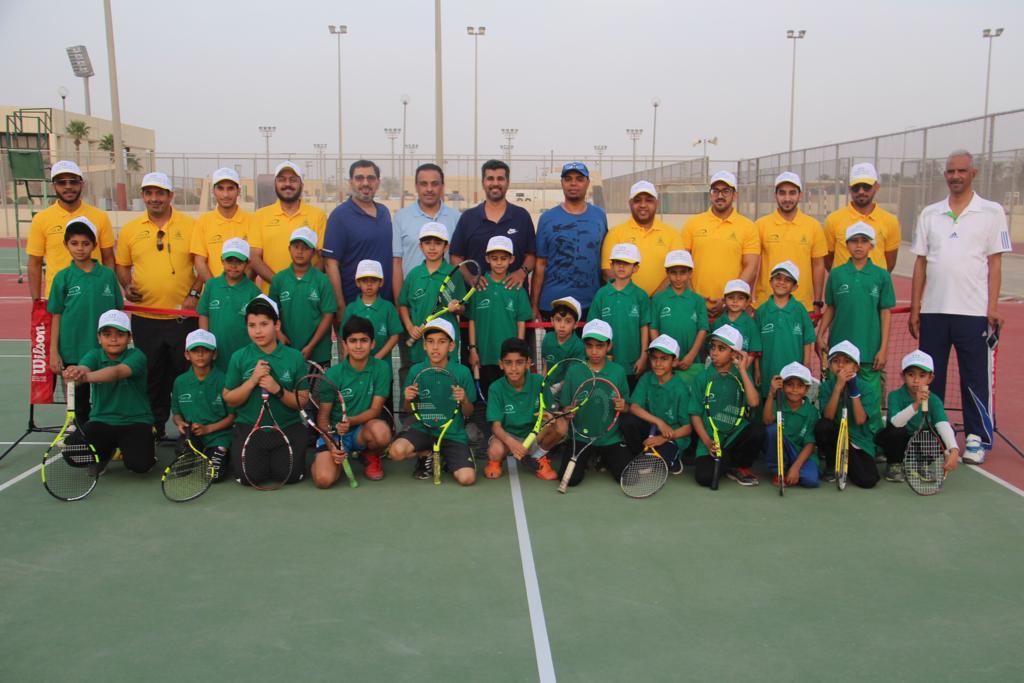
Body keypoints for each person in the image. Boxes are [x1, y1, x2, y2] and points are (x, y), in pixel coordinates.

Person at [910, 150, 1010, 464]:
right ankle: (935, 434)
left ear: (973, 173)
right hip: (934, 312)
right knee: (930, 378)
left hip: (973, 312)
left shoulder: (991, 212)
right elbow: (920, 264)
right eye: (950, 171)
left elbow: (995, 264)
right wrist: (915, 308)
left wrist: (991, 306)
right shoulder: (930, 213)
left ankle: (977, 437)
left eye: (961, 171)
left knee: (973, 377)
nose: (955, 176)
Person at [115, 171, 199, 440]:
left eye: (160, 193)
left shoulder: (190, 226)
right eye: (149, 193)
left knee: (184, 379)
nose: (155, 198)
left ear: (170, 196)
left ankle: (188, 431)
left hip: (182, 320)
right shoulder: (130, 229)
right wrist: (127, 285)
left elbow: (202, 265)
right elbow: (121, 266)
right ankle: (154, 428)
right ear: (143, 196)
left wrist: (195, 292)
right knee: (151, 378)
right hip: (145, 319)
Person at [223, 295, 309, 485]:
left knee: (290, 476)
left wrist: (277, 390)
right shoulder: (239, 357)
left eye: (264, 324)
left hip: (287, 426)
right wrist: (252, 381)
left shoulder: (294, 357)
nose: (258, 331)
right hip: (250, 427)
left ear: (276, 325)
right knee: (249, 478)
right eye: (252, 325)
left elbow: (302, 401)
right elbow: (229, 398)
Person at [816, 223, 895, 420]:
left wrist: (883, 348)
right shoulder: (836, 274)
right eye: (854, 241)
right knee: (838, 396)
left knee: (871, 401)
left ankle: (873, 443)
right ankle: (837, 441)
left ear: (871, 246)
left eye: (864, 241)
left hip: (869, 349)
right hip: (840, 351)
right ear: (846, 245)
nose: (859, 246)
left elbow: (885, 313)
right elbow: (831, 307)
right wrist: (820, 334)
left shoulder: (882, 276)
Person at [47, 217, 123, 422]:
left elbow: (118, 314)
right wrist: (54, 351)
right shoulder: (62, 277)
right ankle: (79, 435)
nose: (80, 248)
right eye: (74, 243)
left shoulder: (107, 276)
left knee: (105, 400)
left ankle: (103, 438)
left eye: (85, 243)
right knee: (78, 403)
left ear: (94, 246)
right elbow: (56, 315)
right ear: (66, 245)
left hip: (104, 351)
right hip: (72, 350)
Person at [61, 310, 155, 475]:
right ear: (99, 338)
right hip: (101, 421)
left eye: (120, 334)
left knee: (140, 466)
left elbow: (117, 372)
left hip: (135, 421)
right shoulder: (93, 355)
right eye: (107, 334)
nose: (113, 339)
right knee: (73, 454)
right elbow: (82, 368)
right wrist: (74, 373)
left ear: (129, 337)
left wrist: (84, 377)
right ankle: (104, 454)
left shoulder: (137, 355)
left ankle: (141, 443)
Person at [389, 319, 477, 485]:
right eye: (430, 342)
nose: (435, 347)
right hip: (423, 429)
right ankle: (426, 453)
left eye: (441, 342)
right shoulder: (415, 371)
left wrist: (464, 400)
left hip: (452, 433)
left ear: (451, 346)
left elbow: (469, 412)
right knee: (396, 452)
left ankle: (448, 458)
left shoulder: (462, 372)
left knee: (467, 479)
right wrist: (408, 399)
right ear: (424, 345)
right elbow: (408, 409)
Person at [310, 316, 393, 486]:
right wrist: (332, 445)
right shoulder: (332, 375)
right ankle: (330, 460)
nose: (358, 346)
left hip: (362, 431)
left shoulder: (382, 369)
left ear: (372, 343)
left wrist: (350, 421)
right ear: (345, 344)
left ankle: (368, 455)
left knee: (382, 433)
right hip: (335, 434)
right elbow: (323, 417)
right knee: (323, 480)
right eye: (353, 341)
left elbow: (375, 410)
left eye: (364, 340)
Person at [556, 319, 631, 487]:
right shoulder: (574, 371)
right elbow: (565, 407)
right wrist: (567, 411)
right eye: (589, 346)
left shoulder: (618, 372)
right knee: (569, 479)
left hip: (611, 438)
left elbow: (627, 406)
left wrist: (623, 406)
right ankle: (592, 457)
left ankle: (602, 457)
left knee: (628, 478)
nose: (594, 351)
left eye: (599, 346)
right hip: (581, 437)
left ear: (609, 346)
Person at [27, 160, 115, 302]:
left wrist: (108, 291)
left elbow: (108, 257)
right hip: (59, 298)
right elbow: (35, 263)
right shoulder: (41, 219)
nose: (68, 187)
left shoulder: (100, 217)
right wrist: (36, 301)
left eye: (73, 182)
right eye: (62, 182)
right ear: (54, 186)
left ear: (82, 184)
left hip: (94, 295)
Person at [689, 325, 763, 488]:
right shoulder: (702, 378)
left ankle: (734, 465)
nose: (714, 352)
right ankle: (728, 465)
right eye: (713, 347)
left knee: (757, 431)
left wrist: (743, 370)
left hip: (734, 437)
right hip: (710, 441)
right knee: (704, 478)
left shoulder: (741, 375)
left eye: (721, 348)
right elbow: (695, 414)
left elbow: (754, 402)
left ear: (734, 354)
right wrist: (708, 442)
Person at [532, 161, 607, 320]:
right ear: (562, 183)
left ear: (587, 183)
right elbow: (540, 264)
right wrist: (534, 304)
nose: (573, 183)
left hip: (591, 304)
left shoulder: (599, 216)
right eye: (568, 179)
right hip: (554, 304)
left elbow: (602, 258)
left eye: (579, 179)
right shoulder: (547, 218)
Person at [680, 171, 759, 316]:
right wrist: (695, 298)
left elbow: (751, 266)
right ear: (710, 194)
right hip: (695, 306)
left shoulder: (748, 227)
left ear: (734, 195)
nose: (720, 196)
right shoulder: (693, 224)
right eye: (715, 191)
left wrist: (728, 299)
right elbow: (683, 263)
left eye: (726, 191)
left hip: (732, 309)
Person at [875, 350, 960, 483]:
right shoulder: (895, 396)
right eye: (910, 374)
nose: (916, 380)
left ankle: (920, 464)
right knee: (895, 431)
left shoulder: (934, 400)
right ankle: (894, 464)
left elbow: (942, 424)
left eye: (922, 375)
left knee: (948, 431)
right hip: (897, 443)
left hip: (919, 443)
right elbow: (896, 423)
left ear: (930, 378)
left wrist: (954, 450)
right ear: (902, 376)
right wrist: (916, 404)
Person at [450, 159, 536, 290]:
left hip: (513, 300)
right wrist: (470, 278)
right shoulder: (468, 217)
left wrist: (522, 272)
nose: (495, 183)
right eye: (490, 178)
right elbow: (456, 257)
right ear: (483, 183)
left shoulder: (522, 216)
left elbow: (531, 254)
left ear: (507, 182)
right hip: (477, 300)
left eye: (500, 178)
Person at [484, 337, 560, 481]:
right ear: (501, 364)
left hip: (534, 436)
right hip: (509, 436)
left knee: (560, 426)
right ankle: (495, 462)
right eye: (508, 363)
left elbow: (551, 412)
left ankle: (538, 457)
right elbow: (496, 426)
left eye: (519, 362)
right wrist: (511, 443)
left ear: (528, 363)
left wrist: (550, 417)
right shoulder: (495, 388)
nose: (513, 368)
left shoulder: (539, 382)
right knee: (495, 450)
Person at [323, 160, 394, 312]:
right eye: (359, 178)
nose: (365, 183)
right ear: (351, 182)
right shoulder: (339, 216)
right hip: (355, 307)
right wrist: (341, 306)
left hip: (385, 306)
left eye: (371, 178)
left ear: (378, 182)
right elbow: (330, 264)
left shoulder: (384, 212)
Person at [468, 236, 532, 399]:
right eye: (494, 258)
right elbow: (472, 321)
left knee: (509, 397)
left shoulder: (517, 289)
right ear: (487, 259)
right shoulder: (479, 287)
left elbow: (521, 323)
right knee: (488, 398)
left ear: (512, 259)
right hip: (484, 355)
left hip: (509, 360)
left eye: (503, 258)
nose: (499, 263)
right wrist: (473, 349)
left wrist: (519, 351)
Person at [754, 172, 827, 313]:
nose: (787, 198)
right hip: (766, 304)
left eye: (792, 193)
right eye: (782, 193)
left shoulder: (813, 226)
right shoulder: (760, 225)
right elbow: (751, 264)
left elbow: (818, 265)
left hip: (802, 306)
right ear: (775, 195)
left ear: (800, 195)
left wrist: (817, 303)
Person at [249, 161, 327, 292]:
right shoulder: (260, 215)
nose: (287, 184)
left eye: (293, 180)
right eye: (281, 180)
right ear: (275, 184)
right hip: (272, 297)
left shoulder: (317, 215)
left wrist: (303, 284)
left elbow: (322, 258)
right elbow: (255, 258)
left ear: (301, 185)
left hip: (308, 295)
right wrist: (280, 284)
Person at [622, 335, 693, 475]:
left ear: (674, 362)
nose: (658, 363)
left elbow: (687, 428)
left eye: (664, 358)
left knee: (658, 465)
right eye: (654, 358)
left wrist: (663, 438)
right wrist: (659, 422)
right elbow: (634, 407)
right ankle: (642, 453)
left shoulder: (681, 389)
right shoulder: (647, 378)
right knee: (627, 421)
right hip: (652, 428)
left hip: (672, 435)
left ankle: (673, 456)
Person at [170, 329, 235, 482]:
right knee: (182, 460)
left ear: (214, 354)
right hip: (193, 434)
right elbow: (176, 411)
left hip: (219, 435)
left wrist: (209, 429)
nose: (200, 355)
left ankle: (222, 452)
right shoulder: (180, 381)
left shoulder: (224, 380)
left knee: (214, 477)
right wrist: (180, 423)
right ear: (187, 355)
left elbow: (232, 416)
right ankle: (195, 453)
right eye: (195, 350)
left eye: (205, 350)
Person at [815, 341, 882, 488]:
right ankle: (831, 463)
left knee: (868, 480)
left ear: (856, 367)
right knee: (823, 426)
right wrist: (838, 388)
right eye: (836, 361)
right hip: (836, 436)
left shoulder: (867, 388)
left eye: (846, 362)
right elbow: (828, 417)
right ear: (831, 365)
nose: (840, 366)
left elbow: (860, 420)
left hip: (858, 441)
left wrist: (854, 391)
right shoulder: (827, 387)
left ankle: (847, 461)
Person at [397, 222, 465, 367]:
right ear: (421, 246)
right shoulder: (414, 275)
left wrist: (457, 308)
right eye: (427, 243)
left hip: (447, 349)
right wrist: (410, 327)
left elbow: (463, 308)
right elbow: (403, 304)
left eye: (438, 243)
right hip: (420, 347)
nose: (432, 248)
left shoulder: (454, 274)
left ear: (446, 247)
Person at [269, 227, 338, 367]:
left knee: (317, 389)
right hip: (285, 351)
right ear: (289, 249)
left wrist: (311, 346)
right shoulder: (279, 279)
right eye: (296, 247)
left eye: (305, 248)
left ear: (313, 252)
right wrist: (279, 334)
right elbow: (271, 314)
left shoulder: (322, 280)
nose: (300, 252)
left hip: (318, 354)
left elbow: (328, 315)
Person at [601, 181, 682, 296]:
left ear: (657, 203)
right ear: (630, 203)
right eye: (637, 200)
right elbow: (607, 272)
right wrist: (633, 299)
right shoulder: (615, 233)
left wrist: (655, 299)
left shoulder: (673, 234)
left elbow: (678, 270)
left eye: (649, 200)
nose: (643, 205)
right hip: (626, 304)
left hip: (662, 305)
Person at [391, 163, 461, 295]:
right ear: (416, 187)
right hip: (413, 299)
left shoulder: (456, 217)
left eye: (435, 184)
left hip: (446, 300)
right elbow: (397, 262)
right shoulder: (401, 217)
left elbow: (457, 260)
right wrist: (400, 305)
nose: (429, 189)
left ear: (442, 186)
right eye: (424, 184)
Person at [588, 243, 651, 389]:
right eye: (617, 263)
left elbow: (644, 327)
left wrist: (643, 356)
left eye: (626, 263)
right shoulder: (601, 294)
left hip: (633, 364)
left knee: (628, 404)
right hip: (607, 362)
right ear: (611, 266)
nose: (621, 267)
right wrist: (602, 354)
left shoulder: (640, 295)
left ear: (635, 268)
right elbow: (593, 328)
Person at [197, 238, 262, 373]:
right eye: (229, 261)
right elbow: (204, 315)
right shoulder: (211, 285)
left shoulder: (254, 291)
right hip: (216, 352)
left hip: (242, 352)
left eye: (239, 261)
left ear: (247, 263)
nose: (233, 266)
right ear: (222, 260)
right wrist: (206, 343)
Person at [824, 163, 900, 272]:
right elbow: (828, 260)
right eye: (856, 187)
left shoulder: (890, 221)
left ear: (876, 187)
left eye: (866, 186)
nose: (861, 191)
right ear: (850, 189)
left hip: (875, 287)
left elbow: (890, 262)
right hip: (843, 287)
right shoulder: (833, 220)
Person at [754, 261, 814, 397]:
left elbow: (807, 341)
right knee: (769, 403)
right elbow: (755, 346)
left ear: (795, 287)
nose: (781, 283)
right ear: (770, 282)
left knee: (791, 400)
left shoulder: (800, 310)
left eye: (787, 280)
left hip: (794, 373)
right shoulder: (761, 311)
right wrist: (757, 370)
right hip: (768, 369)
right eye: (778, 278)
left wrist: (806, 365)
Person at [650, 250, 708, 386]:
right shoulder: (658, 298)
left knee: (690, 400)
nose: (678, 277)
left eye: (683, 272)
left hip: (692, 363)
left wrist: (691, 356)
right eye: (673, 272)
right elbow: (653, 328)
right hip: (665, 363)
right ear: (667, 273)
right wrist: (663, 354)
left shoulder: (697, 300)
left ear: (690, 273)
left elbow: (703, 329)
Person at [762, 362, 820, 489]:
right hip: (782, 451)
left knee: (811, 481)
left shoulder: (812, 412)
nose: (794, 390)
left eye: (800, 386)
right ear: (782, 386)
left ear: (807, 389)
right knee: (771, 430)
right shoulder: (778, 402)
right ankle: (779, 471)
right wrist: (771, 394)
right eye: (789, 385)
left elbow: (810, 443)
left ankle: (790, 469)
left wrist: (796, 467)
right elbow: (766, 421)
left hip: (800, 454)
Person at [191, 167, 251, 284]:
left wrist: (239, 288)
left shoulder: (252, 221)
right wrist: (216, 288)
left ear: (238, 191)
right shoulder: (203, 222)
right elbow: (200, 261)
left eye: (230, 189)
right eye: (220, 188)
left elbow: (253, 261)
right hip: (214, 296)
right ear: (213, 191)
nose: (225, 194)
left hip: (244, 294)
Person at [340, 259, 401, 361]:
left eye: (373, 280)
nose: (369, 284)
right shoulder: (350, 308)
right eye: (364, 280)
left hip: (382, 367)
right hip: (356, 367)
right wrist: (349, 361)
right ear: (357, 282)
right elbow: (344, 337)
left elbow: (395, 336)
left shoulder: (388, 307)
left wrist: (378, 358)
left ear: (381, 282)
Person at [709, 280, 761, 355]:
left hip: (742, 365)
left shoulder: (751, 325)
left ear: (747, 302)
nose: (735, 301)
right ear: (724, 300)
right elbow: (711, 347)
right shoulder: (717, 323)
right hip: (719, 366)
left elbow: (752, 353)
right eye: (731, 297)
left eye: (740, 298)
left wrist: (743, 367)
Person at [540, 296, 585, 374]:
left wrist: (559, 385)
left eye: (568, 321)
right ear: (552, 321)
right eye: (558, 320)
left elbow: (573, 375)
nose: (562, 325)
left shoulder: (579, 347)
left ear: (575, 324)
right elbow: (545, 365)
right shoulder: (547, 338)